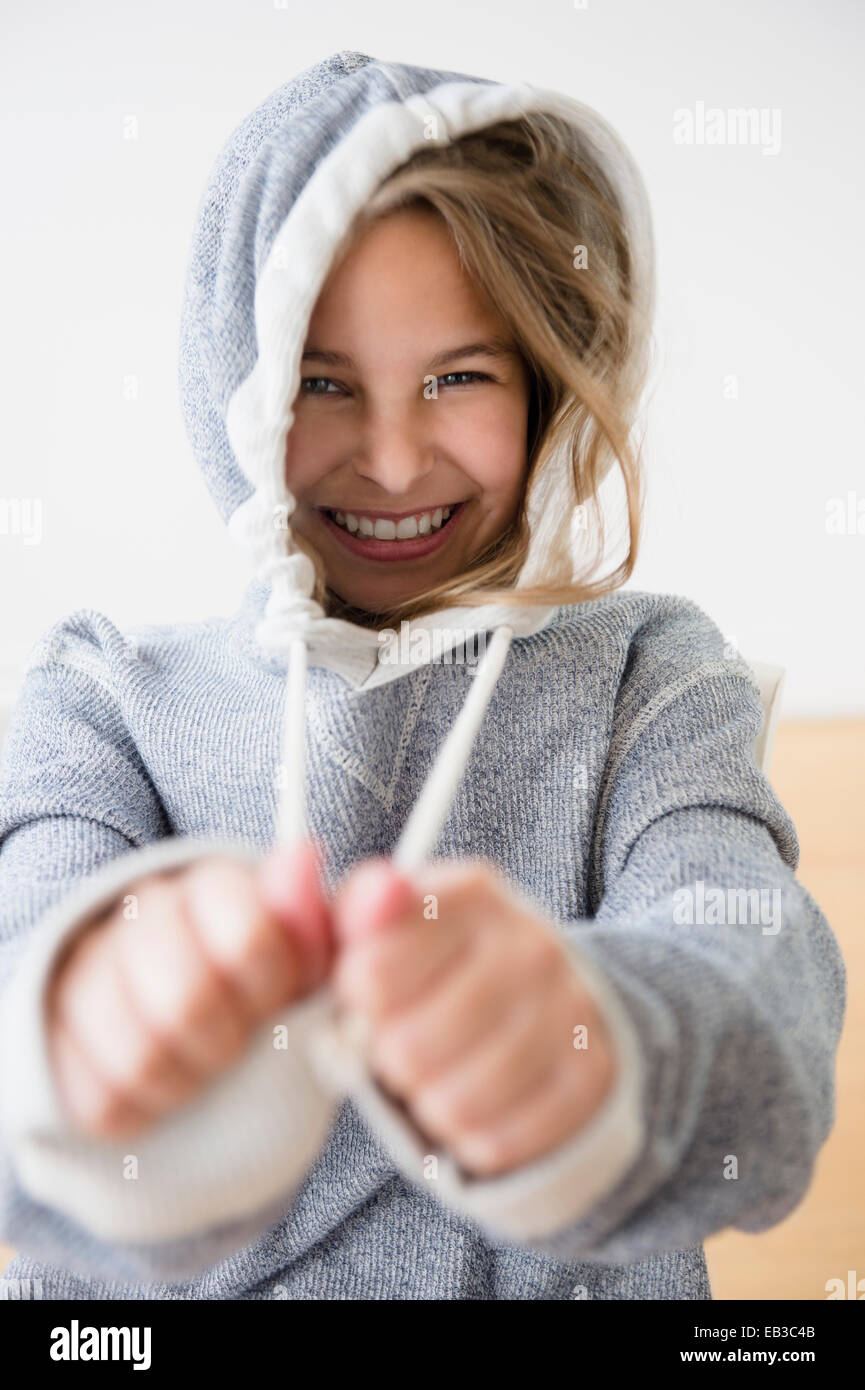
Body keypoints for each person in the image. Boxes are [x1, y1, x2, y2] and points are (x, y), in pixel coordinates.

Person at [0, 49, 845, 1301]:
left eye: (457, 377)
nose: (392, 462)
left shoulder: (653, 681)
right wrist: (80, 1037)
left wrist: (598, 1051)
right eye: (319, 385)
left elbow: (760, 995)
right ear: (234, 393)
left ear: (549, 384)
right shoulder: (102, 696)